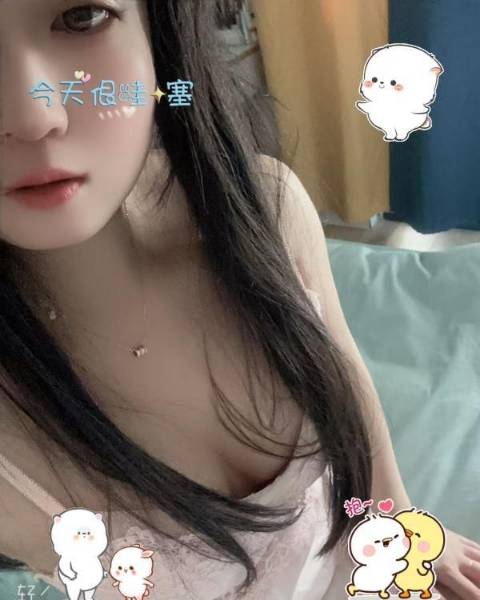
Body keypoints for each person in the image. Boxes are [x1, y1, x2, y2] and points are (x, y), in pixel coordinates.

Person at [0, 1, 479, 599]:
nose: (34, 116)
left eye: (81, 17)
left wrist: (397, 518)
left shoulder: (265, 207)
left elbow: (344, 375)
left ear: (156, 33)